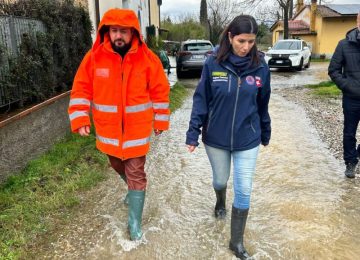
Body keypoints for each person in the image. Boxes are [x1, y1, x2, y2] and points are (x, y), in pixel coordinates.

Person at [68, 9, 170, 240]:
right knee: (116, 164)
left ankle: (134, 223)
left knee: (135, 172)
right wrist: (80, 118)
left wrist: (161, 120)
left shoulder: (148, 60)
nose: (118, 36)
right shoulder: (93, 58)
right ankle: (133, 190)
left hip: (137, 131)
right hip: (108, 131)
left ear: (133, 32)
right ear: (107, 31)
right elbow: (81, 89)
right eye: (114, 31)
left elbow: (160, 92)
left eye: (123, 31)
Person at [185, 15, 271, 259]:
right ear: (230, 37)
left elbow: (263, 102)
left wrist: (265, 130)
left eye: (251, 42)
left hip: (248, 138)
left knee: (244, 190)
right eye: (241, 40)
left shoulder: (261, 66)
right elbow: (201, 99)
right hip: (216, 138)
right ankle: (220, 201)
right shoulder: (213, 63)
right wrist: (193, 132)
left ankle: (236, 242)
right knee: (220, 181)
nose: (246, 47)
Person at [328, 12, 360, 179]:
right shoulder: (344, 44)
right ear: (357, 21)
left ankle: (357, 154)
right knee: (349, 132)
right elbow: (333, 70)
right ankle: (350, 162)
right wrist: (347, 86)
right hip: (351, 98)